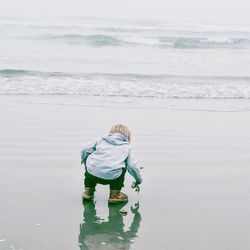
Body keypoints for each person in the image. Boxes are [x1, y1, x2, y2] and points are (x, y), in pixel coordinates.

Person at [80, 124, 142, 203]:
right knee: (123, 167)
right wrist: (138, 180)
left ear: (111, 133)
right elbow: (132, 166)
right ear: (127, 136)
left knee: (92, 162)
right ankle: (114, 195)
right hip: (112, 177)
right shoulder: (127, 147)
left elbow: (85, 149)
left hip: (91, 174)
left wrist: (84, 161)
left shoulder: (100, 140)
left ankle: (88, 192)